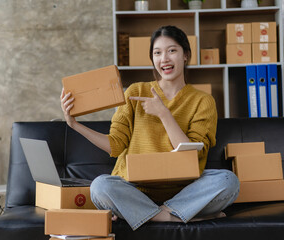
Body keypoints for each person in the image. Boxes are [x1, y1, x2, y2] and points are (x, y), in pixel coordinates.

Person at [60, 25, 239, 231]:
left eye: (172, 50)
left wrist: (164, 114)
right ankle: (173, 216)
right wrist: (74, 124)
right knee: (100, 186)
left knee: (228, 181)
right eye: (157, 53)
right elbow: (115, 146)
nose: (164, 59)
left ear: (186, 55)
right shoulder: (136, 91)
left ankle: (144, 214)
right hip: (135, 189)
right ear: (152, 59)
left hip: (184, 190)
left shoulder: (203, 101)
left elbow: (192, 151)